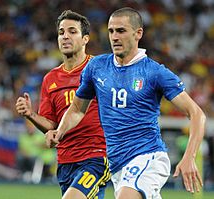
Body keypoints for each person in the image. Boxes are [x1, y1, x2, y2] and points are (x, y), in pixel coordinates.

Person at [47, 7, 206, 199]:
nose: (114, 37)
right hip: (117, 165)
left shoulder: (154, 72)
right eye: (111, 31)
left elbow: (196, 114)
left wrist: (189, 157)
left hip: (148, 156)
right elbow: (77, 110)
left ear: (138, 33)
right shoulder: (97, 68)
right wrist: (60, 131)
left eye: (121, 31)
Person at [15, 10, 110, 199]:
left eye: (72, 31)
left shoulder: (101, 69)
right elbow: (51, 125)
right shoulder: (50, 79)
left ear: (85, 39)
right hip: (65, 160)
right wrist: (30, 114)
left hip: (96, 156)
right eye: (61, 32)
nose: (65, 36)